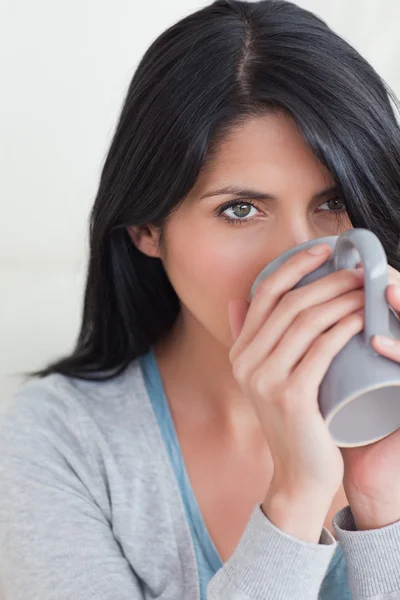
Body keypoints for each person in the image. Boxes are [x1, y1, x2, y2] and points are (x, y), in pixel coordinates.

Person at [1, 0, 400, 598]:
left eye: (333, 201)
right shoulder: (55, 447)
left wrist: (382, 502)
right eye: (239, 210)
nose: (300, 256)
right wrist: (295, 497)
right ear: (146, 229)